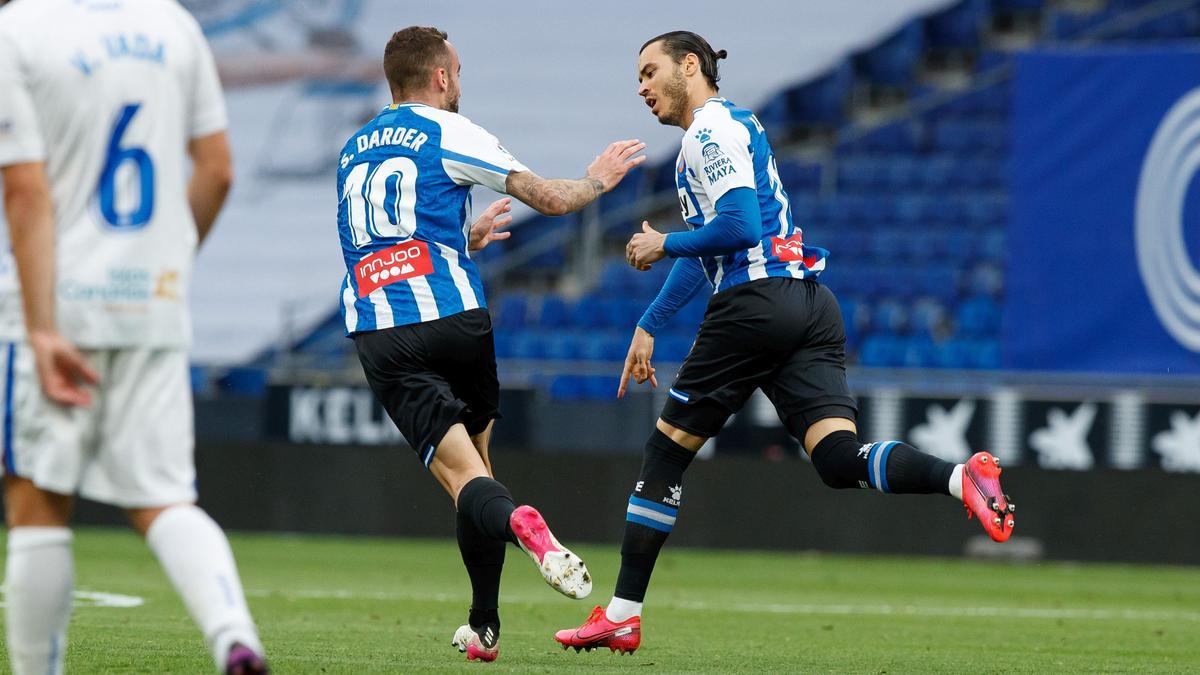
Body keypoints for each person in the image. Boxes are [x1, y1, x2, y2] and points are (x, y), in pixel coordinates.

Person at [554, 30, 1016, 656]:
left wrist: (662, 241)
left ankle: (623, 615)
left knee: (664, 456)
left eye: (649, 70)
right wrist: (651, 321)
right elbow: (714, 242)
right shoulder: (736, 125)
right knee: (837, 460)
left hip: (756, 306)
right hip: (808, 303)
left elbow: (738, 229)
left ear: (690, 67)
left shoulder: (707, 132)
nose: (640, 86)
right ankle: (964, 479)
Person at [336, 26, 645, 663]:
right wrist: (598, 179)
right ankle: (483, 626)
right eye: (458, 71)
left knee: (464, 482)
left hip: (383, 327)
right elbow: (553, 199)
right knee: (480, 472)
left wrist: (460, 238)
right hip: (457, 319)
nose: (460, 82)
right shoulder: (452, 130)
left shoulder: (352, 149)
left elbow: (380, 243)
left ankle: (520, 537)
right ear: (441, 78)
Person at [0, 0, 267, 673]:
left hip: (55, 305)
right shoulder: (174, 25)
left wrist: (39, 324)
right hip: (151, 303)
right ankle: (234, 634)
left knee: (35, 500)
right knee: (164, 498)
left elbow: (25, 192)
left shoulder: (18, 29)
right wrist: (167, 266)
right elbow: (217, 169)